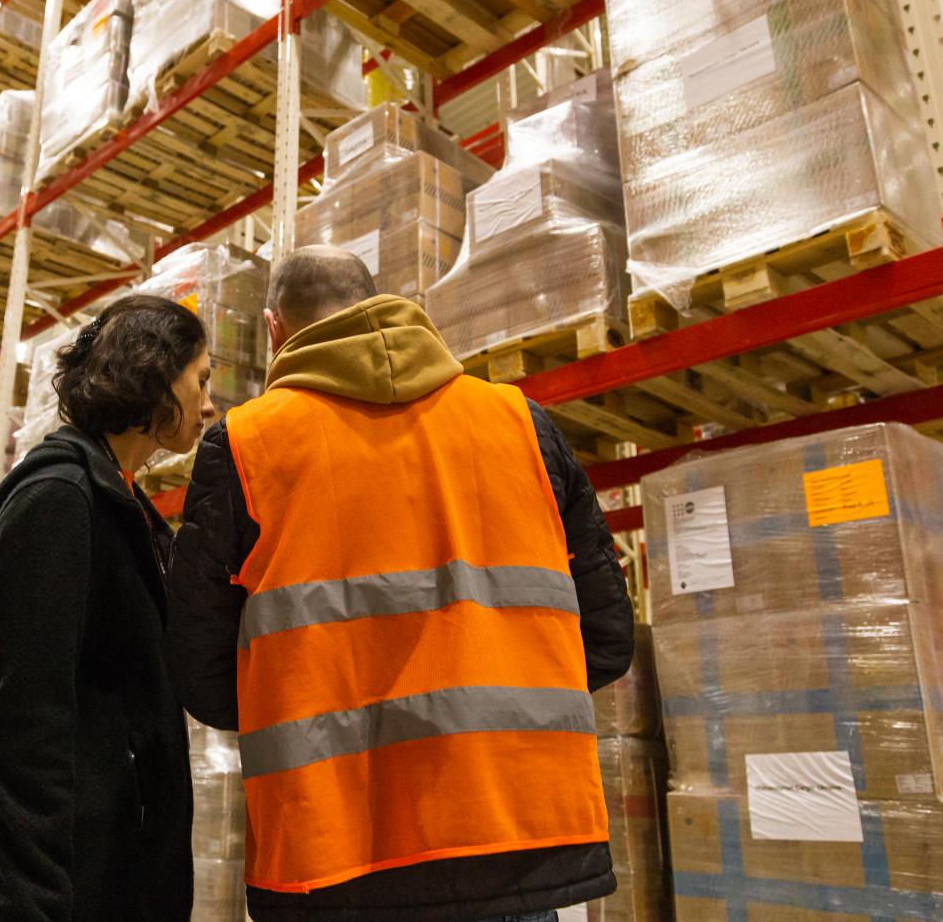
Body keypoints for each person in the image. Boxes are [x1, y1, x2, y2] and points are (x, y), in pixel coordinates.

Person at [166, 246, 635, 922]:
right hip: (517, 837)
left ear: (274, 329)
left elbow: (200, 670)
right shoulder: (521, 424)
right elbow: (608, 638)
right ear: (379, 306)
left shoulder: (245, 446)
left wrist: (314, 708)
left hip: (337, 853)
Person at [0, 294, 216, 921]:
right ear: (155, 374)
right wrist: (35, 904)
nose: (210, 404)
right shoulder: (58, 501)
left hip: (117, 875)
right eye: (203, 379)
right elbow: (25, 727)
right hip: (71, 889)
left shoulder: (124, 506)